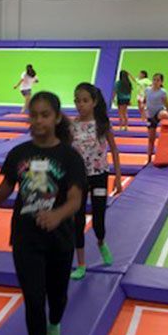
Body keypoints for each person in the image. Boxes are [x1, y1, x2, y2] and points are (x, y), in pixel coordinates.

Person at [0, 92, 85, 335]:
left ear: (56, 118)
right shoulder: (19, 153)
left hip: (59, 238)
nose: (38, 120)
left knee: (57, 296)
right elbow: (6, 185)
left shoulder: (69, 156)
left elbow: (76, 198)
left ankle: (54, 322)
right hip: (26, 236)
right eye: (34, 115)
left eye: (44, 115)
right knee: (32, 298)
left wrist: (58, 216)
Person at [71, 83, 123, 280]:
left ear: (94, 102)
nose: (80, 104)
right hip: (78, 179)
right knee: (77, 221)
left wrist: (117, 178)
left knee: (99, 217)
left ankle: (101, 242)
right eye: (77, 100)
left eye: (84, 100)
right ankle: (81, 264)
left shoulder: (102, 124)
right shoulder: (72, 126)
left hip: (100, 177)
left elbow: (115, 150)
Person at [145, 73, 168, 162]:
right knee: (151, 139)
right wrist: (143, 109)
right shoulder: (147, 90)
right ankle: (149, 159)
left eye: (158, 80)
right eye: (154, 80)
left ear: (161, 82)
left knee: (163, 114)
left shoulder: (162, 92)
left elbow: (167, 105)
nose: (155, 82)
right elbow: (145, 101)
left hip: (159, 112)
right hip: (150, 115)